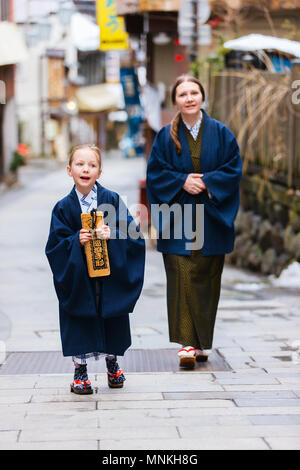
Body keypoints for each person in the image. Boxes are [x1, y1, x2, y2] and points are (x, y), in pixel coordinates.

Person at [146, 75, 242, 369]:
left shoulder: (222, 133)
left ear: (202, 97)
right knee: (180, 275)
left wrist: (209, 182)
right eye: (183, 94)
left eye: (194, 92)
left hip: (211, 216)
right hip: (177, 217)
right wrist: (181, 181)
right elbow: (155, 173)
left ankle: (201, 342)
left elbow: (233, 168)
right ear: (175, 101)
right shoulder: (165, 135)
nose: (189, 98)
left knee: (207, 277)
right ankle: (187, 344)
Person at [46, 144, 145, 393]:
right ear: (69, 170)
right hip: (79, 276)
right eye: (80, 164)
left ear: (99, 172)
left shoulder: (111, 200)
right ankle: (80, 371)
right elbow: (55, 246)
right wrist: (74, 241)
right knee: (79, 314)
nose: (85, 169)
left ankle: (113, 364)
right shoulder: (63, 207)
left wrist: (113, 234)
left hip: (109, 276)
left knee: (111, 314)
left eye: (92, 165)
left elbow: (134, 236)